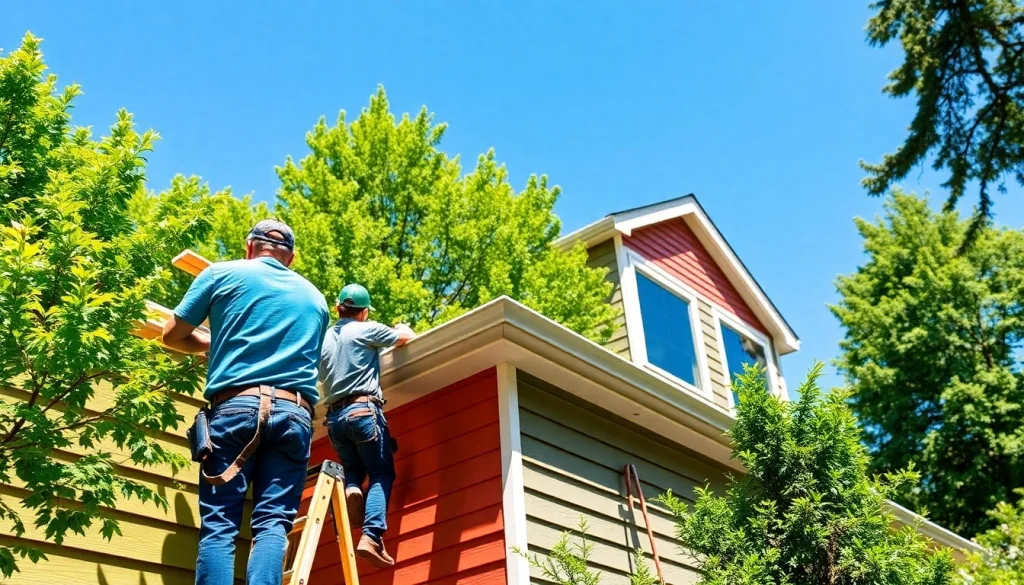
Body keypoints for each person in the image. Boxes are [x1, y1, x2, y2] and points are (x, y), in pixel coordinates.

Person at [162, 219, 329, 585]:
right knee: (273, 524)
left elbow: (172, 336)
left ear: (249, 247)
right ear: (291, 258)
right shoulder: (315, 298)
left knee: (220, 523)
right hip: (294, 414)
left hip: (236, 407)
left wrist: (211, 343)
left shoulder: (219, 274)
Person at [319, 283, 416, 568]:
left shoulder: (322, 340)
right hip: (363, 411)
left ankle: (351, 487)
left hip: (334, 418)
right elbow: (405, 337)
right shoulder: (367, 328)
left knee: (353, 469)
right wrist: (401, 326)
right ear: (363, 312)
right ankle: (371, 536)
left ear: (338, 308)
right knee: (381, 473)